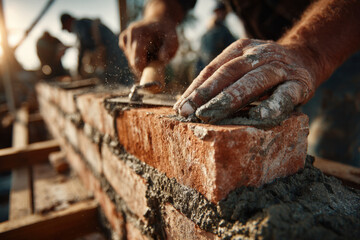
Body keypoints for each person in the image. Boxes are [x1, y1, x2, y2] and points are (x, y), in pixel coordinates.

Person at [119, 0, 360, 164]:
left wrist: (310, 51)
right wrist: (160, 15)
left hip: (338, 41)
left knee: (330, 162)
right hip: (270, 52)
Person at [61, 13, 133, 85]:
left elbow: (83, 44)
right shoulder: (86, 22)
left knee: (114, 80)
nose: (68, 31)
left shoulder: (78, 24)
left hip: (112, 52)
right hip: (117, 49)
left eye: (66, 28)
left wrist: (78, 70)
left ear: (68, 21)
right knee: (123, 77)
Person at [195, 2, 235, 76]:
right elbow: (200, 56)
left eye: (222, 12)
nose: (220, 14)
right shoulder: (207, 33)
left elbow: (233, 51)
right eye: (218, 12)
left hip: (218, 73)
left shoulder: (225, 32)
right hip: (207, 72)